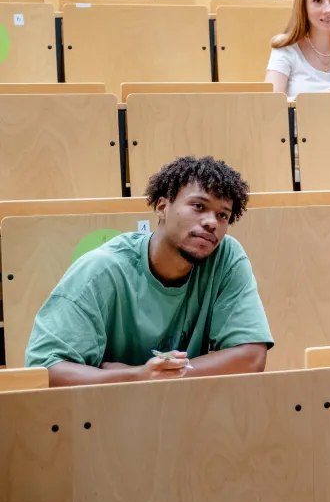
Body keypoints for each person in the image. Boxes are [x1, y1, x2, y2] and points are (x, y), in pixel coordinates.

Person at [25, 156, 273, 387]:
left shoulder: (225, 256)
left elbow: (251, 357)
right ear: (162, 207)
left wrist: (167, 374)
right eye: (198, 206)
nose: (212, 223)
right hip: (103, 418)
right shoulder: (101, 269)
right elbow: (44, 369)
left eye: (222, 215)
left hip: (187, 413)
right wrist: (136, 376)